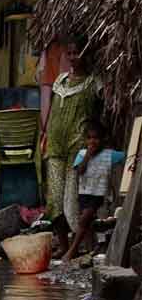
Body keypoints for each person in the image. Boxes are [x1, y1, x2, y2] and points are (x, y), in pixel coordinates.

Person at [42, 38, 103, 257]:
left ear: (86, 54)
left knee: (72, 202)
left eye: (77, 53)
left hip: (78, 149)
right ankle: (66, 247)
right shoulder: (60, 81)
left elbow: (102, 115)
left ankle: (85, 248)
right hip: (55, 146)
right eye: (70, 53)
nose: (73, 57)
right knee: (54, 202)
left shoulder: (93, 83)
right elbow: (52, 112)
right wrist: (45, 134)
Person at [63, 122, 125, 261]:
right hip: (84, 192)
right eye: (89, 138)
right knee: (88, 223)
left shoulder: (110, 155)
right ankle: (90, 251)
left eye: (96, 138)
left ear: (103, 140)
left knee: (84, 219)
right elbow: (80, 171)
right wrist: (87, 157)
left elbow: (127, 156)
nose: (92, 141)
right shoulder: (82, 154)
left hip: (98, 194)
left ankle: (71, 252)